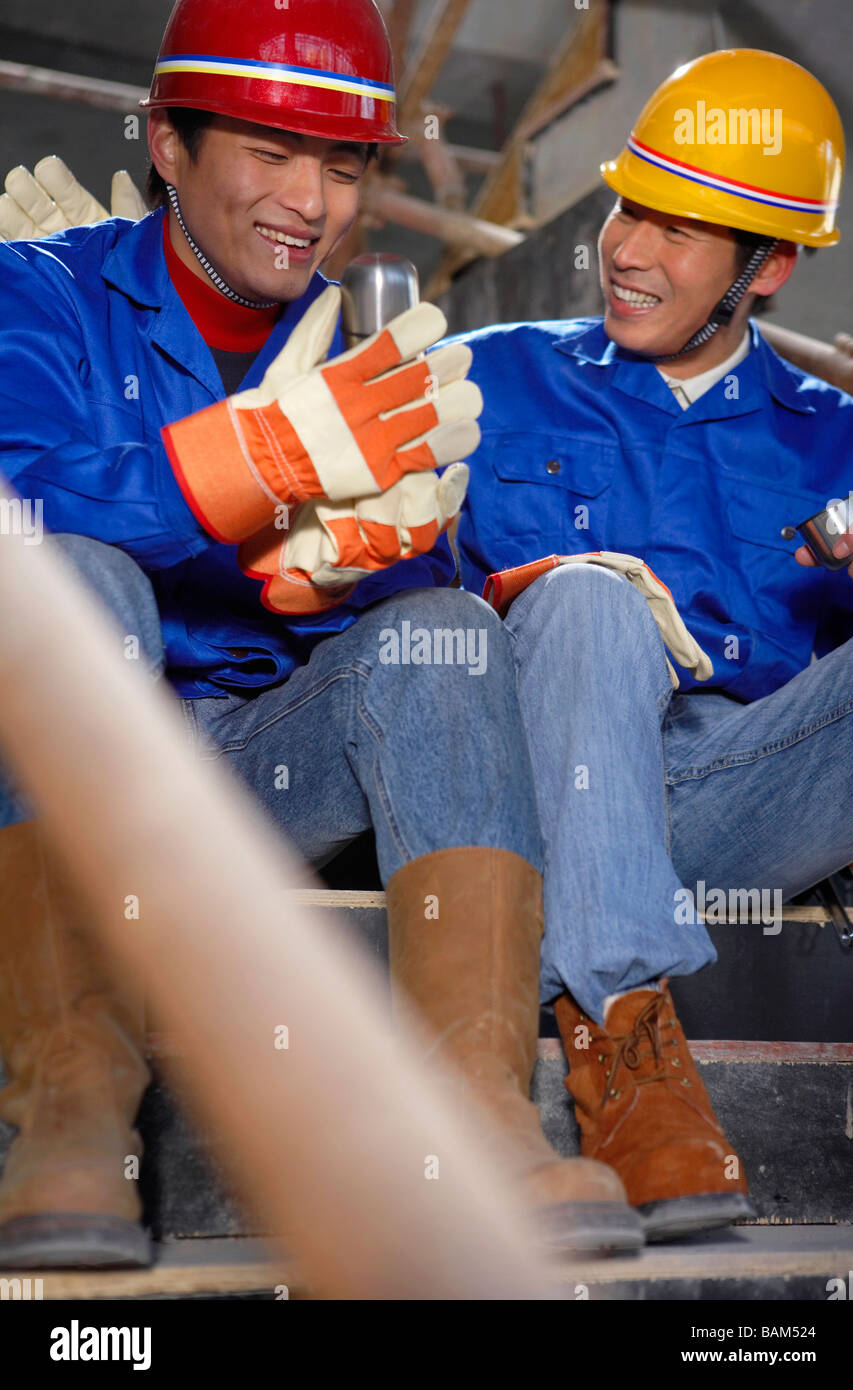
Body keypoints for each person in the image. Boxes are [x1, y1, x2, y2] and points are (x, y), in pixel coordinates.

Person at [0, 0, 642, 1269]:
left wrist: (353, 567)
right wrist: (245, 474)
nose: (313, 200)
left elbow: (427, 557)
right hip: (72, 788)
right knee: (67, 570)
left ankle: (476, 1112)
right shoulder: (40, 293)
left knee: (443, 626)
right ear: (169, 145)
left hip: (259, 777)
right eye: (272, 152)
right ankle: (70, 1102)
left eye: (343, 165)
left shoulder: (365, 342)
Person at [444, 48, 853, 1241]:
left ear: (769, 267)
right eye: (630, 206)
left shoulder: (845, 448)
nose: (626, 249)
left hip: (742, 811)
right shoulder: (485, 378)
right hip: (535, 787)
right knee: (583, 600)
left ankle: (596, 937)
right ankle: (623, 1037)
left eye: (681, 230)